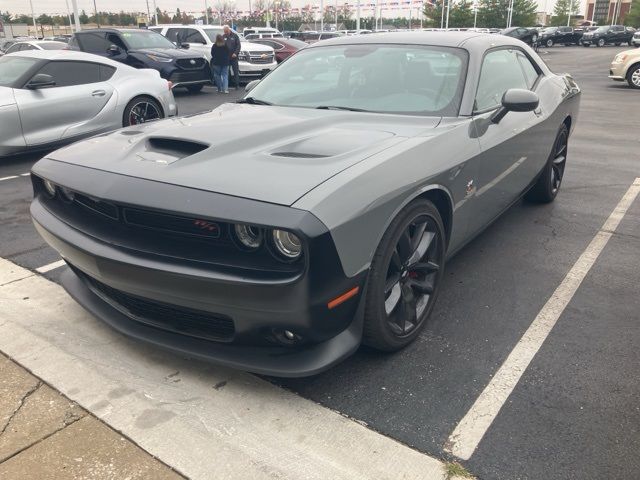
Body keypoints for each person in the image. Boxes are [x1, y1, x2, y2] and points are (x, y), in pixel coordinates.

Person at [223, 25, 241, 90]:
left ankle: (237, 85)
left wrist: (235, 53)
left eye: (226, 31)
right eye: (225, 32)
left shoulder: (235, 36)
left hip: (234, 57)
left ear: (229, 30)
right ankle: (226, 85)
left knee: (235, 71)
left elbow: (238, 46)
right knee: (226, 72)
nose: (226, 33)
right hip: (226, 58)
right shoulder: (223, 36)